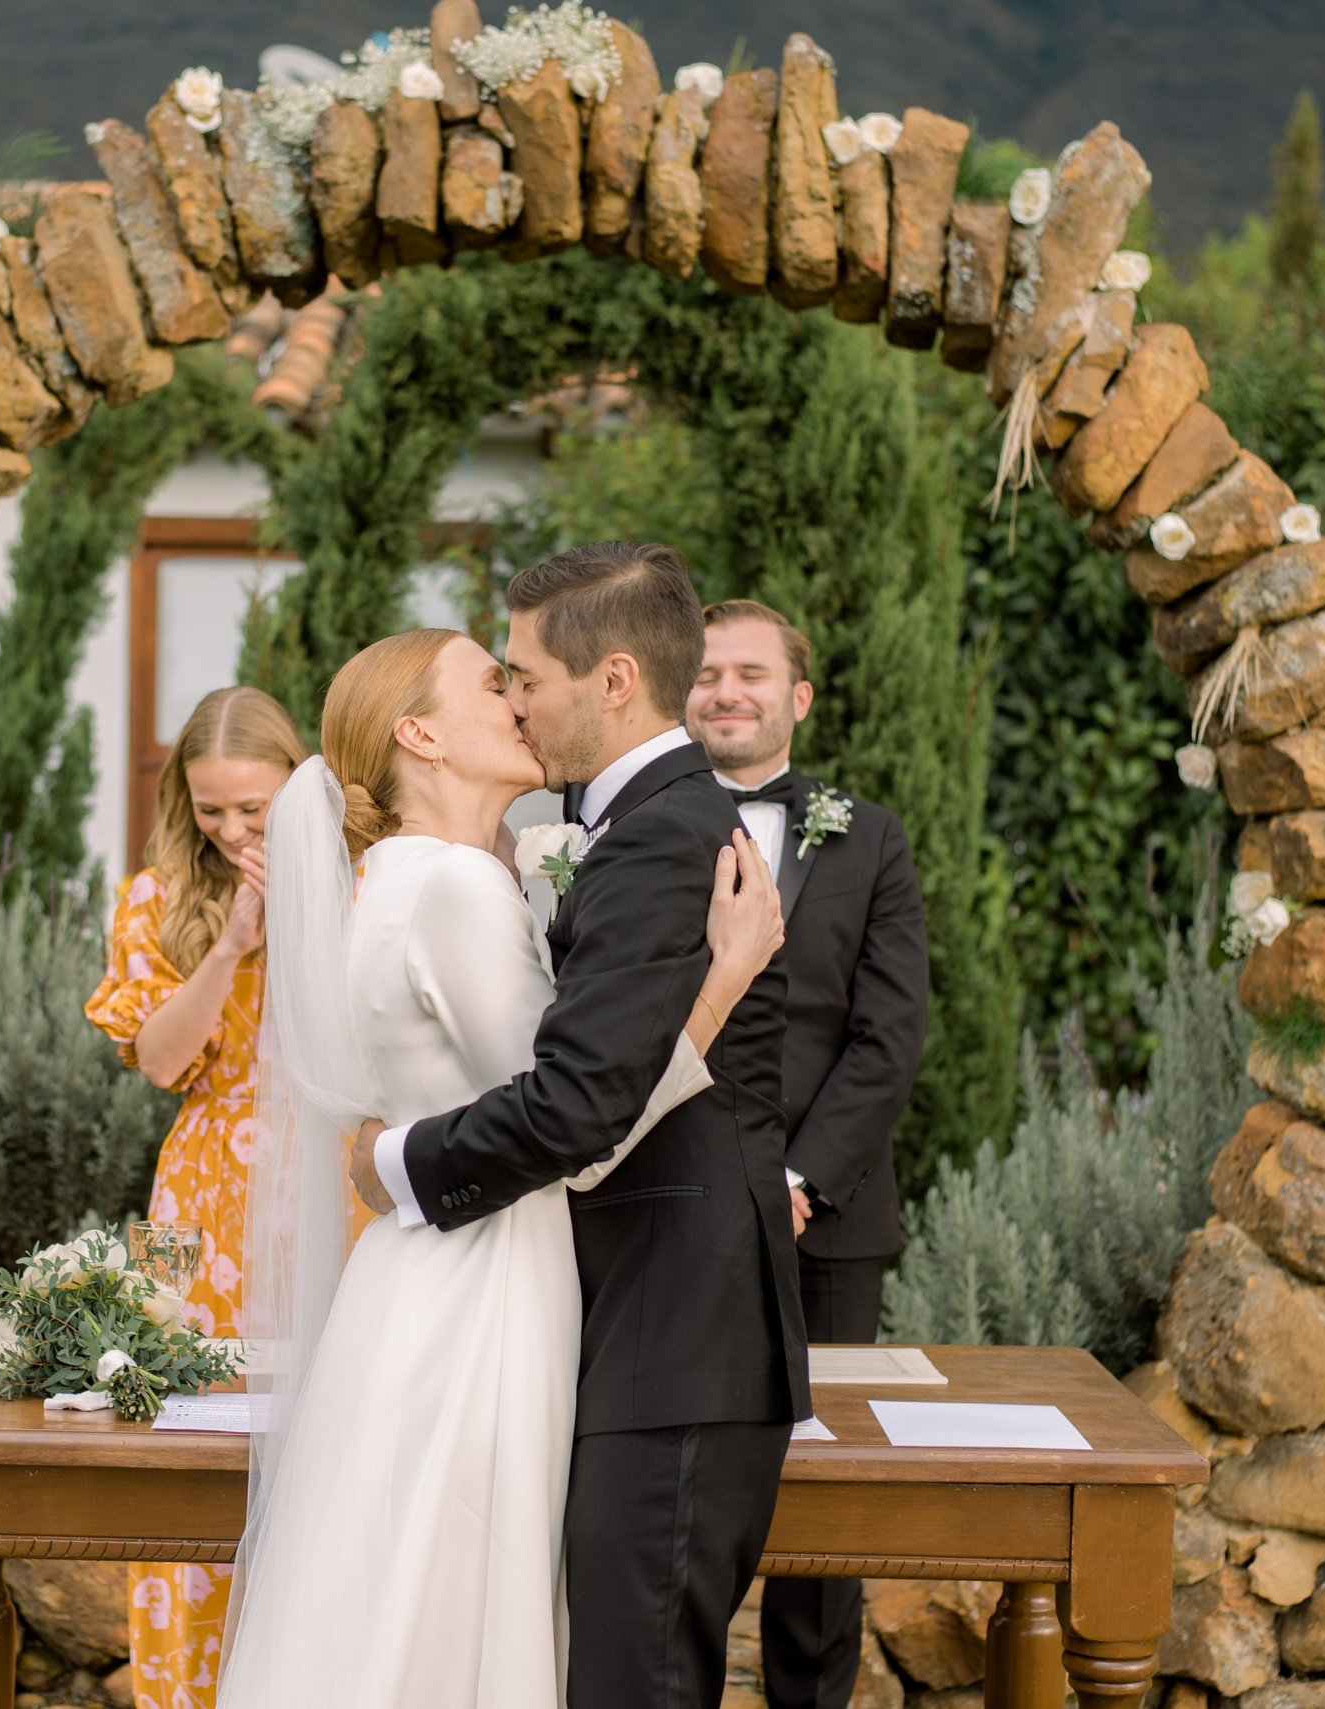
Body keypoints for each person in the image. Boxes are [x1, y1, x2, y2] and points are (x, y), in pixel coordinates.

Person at [222, 619, 786, 1708]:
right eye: (495, 683)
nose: (520, 701)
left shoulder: (385, 882)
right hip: (484, 1284)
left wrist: (388, 1162)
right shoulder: (455, 889)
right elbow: (576, 1135)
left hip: (412, 1278)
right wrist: (723, 980)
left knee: (393, 1598)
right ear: (420, 733)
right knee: (457, 1597)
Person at [688, 600, 931, 1709]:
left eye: (748, 671)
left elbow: (889, 1034)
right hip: (664, 1204)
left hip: (822, 1221)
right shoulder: (622, 829)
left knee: (822, 1498)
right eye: (704, 674)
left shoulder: (868, 836)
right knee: (659, 1483)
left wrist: (793, 1181)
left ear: (798, 697)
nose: (723, 690)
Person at [84, 684, 305, 1709]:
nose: (229, 828)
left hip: (332, 1183)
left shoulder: (361, 875)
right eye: (210, 807)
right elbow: (162, 1061)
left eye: (252, 808)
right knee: (198, 1451)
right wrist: (230, 945)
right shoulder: (156, 895)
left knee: (325, 1445)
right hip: (207, 1194)